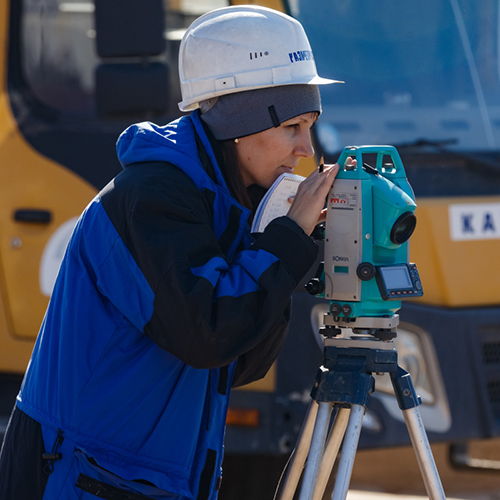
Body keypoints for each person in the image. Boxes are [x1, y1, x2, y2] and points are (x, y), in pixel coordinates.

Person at [0, 5, 341, 500]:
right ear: (240, 121)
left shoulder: (227, 201)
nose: (306, 148)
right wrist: (285, 241)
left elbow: (241, 363)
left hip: (136, 475)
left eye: (310, 125)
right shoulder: (153, 198)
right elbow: (208, 334)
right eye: (292, 126)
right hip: (77, 473)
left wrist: (283, 240)